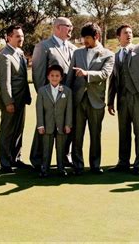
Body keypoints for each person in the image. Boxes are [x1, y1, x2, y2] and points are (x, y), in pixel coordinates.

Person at [107, 24, 139, 175]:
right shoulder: (116, 55)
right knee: (123, 131)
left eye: (130, 32)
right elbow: (113, 79)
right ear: (118, 36)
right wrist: (110, 101)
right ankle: (123, 162)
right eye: (125, 33)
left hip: (138, 97)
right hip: (122, 99)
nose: (129, 35)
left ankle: (138, 164)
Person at [66, 22, 114, 175]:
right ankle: (78, 165)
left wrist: (87, 74)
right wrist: (66, 97)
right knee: (77, 135)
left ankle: (95, 165)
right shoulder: (77, 53)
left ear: (97, 37)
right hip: (78, 100)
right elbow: (70, 77)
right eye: (83, 37)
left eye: (87, 37)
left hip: (96, 101)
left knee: (95, 135)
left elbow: (105, 74)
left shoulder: (108, 54)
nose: (84, 41)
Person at [30, 17, 76, 169]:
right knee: (45, 126)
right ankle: (38, 159)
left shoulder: (72, 47)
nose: (71, 28)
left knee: (66, 127)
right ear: (57, 27)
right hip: (49, 96)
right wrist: (45, 97)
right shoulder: (43, 46)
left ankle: (64, 157)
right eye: (68, 26)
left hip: (67, 97)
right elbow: (38, 74)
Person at [0, 25, 32, 173]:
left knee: (18, 131)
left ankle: (15, 158)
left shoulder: (20, 52)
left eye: (22, 36)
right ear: (8, 37)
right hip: (10, 101)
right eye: (17, 36)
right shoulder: (5, 55)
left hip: (21, 100)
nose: (21, 39)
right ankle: (5, 162)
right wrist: (8, 102)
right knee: (7, 131)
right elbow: (4, 82)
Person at [35, 65, 73, 177]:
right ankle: (44, 169)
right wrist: (40, 125)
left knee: (61, 149)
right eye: (52, 75)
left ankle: (61, 169)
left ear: (61, 78)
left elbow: (69, 109)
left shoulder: (67, 91)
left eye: (57, 76)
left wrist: (68, 124)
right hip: (47, 125)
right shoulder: (42, 91)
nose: (54, 78)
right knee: (46, 149)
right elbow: (39, 109)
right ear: (48, 77)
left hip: (62, 125)